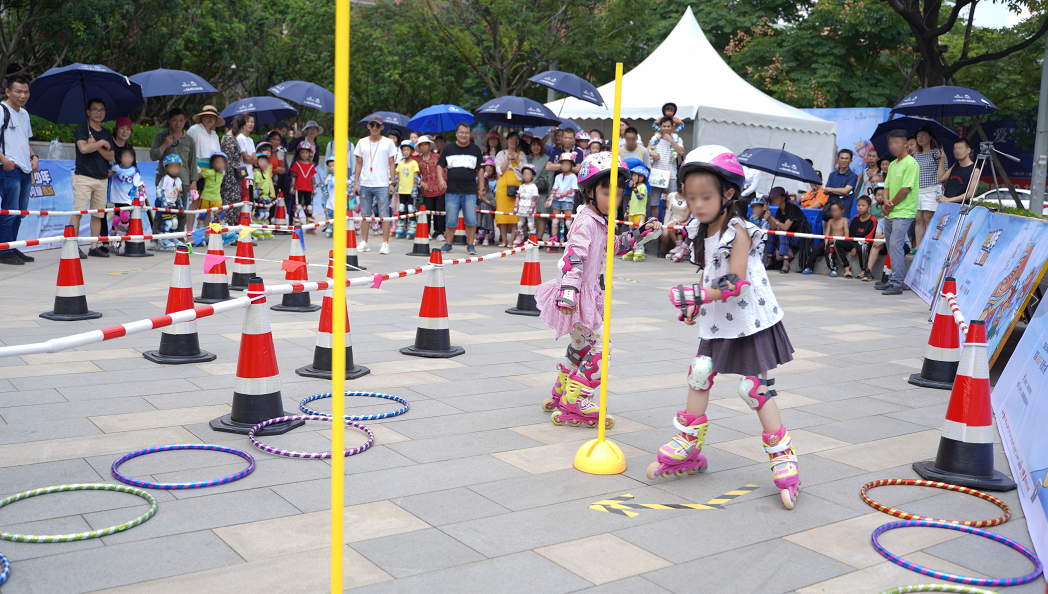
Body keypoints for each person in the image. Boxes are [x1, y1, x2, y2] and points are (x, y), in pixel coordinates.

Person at [650, 145, 798, 513]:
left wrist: (700, 293)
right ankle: (688, 446)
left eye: (706, 197)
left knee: (754, 389)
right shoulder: (702, 229)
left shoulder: (739, 230)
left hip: (749, 320)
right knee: (699, 373)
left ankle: (783, 456)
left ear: (728, 194)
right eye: (691, 196)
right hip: (717, 319)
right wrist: (694, 304)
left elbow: (735, 283)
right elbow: (709, 272)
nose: (697, 204)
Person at [533, 152, 661, 427]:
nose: (614, 199)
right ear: (589, 192)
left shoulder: (599, 220)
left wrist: (642, 233)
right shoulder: (586, 221)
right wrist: (569, 289)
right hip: (577, 293)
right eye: (607, 192)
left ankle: (561, 392)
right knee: (603, 347)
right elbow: (574, 254)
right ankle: (578, 399)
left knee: (580, 346)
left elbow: (612, 246)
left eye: (618, 193)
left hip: (586, 294)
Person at [0, 74, 38, 265]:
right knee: (9, 211)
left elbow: (26, 140)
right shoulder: (1, 110)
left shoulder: (24, 114)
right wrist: (4, 161)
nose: (22, 95)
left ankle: (12, 247)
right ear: (8, 91)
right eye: (18, 91)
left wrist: (33, 156)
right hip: (9, 168)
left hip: (24, 169)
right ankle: (4, 251)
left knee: (20, 212)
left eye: (26, 91)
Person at [71, 98, 115, 258]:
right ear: (88, 112)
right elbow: (83, 148)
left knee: (97, 214)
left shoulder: (106, 133)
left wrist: (96, 144)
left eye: (102, 109)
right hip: (84, 176)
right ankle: (72, 246)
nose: (98, 113)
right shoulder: (82, 128)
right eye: (95, 109)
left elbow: (110, 156)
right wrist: (101, 143)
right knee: (78, 213)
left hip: (102, 178)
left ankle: (94, 246)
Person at [877, 129, 919, 295]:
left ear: (905, 144)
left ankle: (896, 283)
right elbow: (886, 186)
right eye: (890, 143)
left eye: (896, 142)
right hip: (891, 210)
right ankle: (894, 279)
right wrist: (885, 201)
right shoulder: (893, 164)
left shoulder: (911, 163)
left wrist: (890, 204)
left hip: (904, 211)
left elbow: (905, 189)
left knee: (895, 245)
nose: (893, 146)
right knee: (892, 245)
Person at [353, 114, 397, 254]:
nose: (375, 128)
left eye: (378, 125)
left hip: (382, 183)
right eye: (372, 125)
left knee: (384, 214)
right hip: (365, 183)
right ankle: (364, 242)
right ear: (368, 126)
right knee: (365, 215)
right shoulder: (361, 142)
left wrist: (392, 182)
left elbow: (392, 164)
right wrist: (356, 183)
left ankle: (385, 243)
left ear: (382, 127)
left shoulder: (388, 143)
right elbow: (358, 163)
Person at [439, 123, 484, 254]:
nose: (464, 135)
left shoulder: (475, 149)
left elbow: (480, 169)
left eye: (466, 133)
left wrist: (481, 187)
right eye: (461, 132)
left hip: (470, 191)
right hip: (452, 190)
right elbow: (439, 165)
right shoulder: (448, 148)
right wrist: (441, 180)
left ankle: (471, 245)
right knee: (451, 219)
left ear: (470, 135)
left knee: (471, 219)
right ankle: (448, 244)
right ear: (456, 134)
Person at [912, 126, 945, 250]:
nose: (919, 138)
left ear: (930, 137)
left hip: (932, 189)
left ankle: (929, 245)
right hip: (917, 191)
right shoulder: (916, 155)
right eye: (918, 136)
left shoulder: (937, 153)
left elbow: (943, 174)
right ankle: (918, 246)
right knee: (918, 219)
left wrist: (941, 158)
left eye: (923, 135)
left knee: (928, 218)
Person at [648, 116, 685, 219]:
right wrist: (652, 153)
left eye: (668, 126)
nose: (666, 128)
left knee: (672, 202)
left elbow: (681, 152)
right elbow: (646, 151)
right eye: (664, 126)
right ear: (660, 126)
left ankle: (668, 228)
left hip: (671, 175)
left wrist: (671, 140)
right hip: (657, 175)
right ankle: (655, 225)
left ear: (672, 126)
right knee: (654, 203)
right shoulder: (655, 138)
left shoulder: (677, 139)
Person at [765, 186, 806, 273]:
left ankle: (786, 263)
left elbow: (785, 227)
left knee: (783, 232)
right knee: (771, 232)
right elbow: (773, 227)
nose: (773, 200)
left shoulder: (792, 208)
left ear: (783, 198)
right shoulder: (779, 211)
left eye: (775, 197)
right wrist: (768, 215)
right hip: (789, 237)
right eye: (772, 198)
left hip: (801, 238)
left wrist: (771, 218)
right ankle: (769, 261)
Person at [107, 146, 145, 240]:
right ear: (120, 158)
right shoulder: (115, 168)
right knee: (116, 218)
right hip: (116, 198)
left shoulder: (134, 171)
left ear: (133, 159)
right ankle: (113, 231)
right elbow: (107, 174)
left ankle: (123, 230)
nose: (128, 159)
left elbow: (140, 184)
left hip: (128, 198)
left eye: (130, 157)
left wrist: (141, 197)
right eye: (125, 157)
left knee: (124, 214)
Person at [494, 131, 523, 247]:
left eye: (516, 139)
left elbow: (524, 171)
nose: (513, 141)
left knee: (515, 215)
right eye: (511, 139)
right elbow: (499, 170)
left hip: (517, 187)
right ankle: (504, 240)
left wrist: (517, 160)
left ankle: (512, 241)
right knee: (502, 214)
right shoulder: (501, 153)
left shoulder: (522, 154)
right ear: (506, 141)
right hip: (502, 187)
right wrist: (507, 159)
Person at [838, 195, 877, 279]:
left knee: (862, 247)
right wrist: (849, 246)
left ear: (869, 207)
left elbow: (869, 237)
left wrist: (855, 247)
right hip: (854, 242)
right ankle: (846, 266)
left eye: (863, 205)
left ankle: (863, 270)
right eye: (858, 205)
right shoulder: (855, 218)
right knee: (837, 242)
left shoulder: (873, 219)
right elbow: (850, 235)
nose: (860, 207)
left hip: (866, 243)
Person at [806, 201, 848, 276]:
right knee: (815, 249)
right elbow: (827, 234)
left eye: (836, 211)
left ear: (842, 210)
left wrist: (835, 240)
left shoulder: (844, 221)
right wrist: (825, 244)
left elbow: (847, 236)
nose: (834, 213)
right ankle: (809, 267)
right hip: (829, 241)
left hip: (837, 243)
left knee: (828, 251)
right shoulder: (830, 221)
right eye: (832, 211)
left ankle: (833, 269)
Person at [415, 135, 445, 241]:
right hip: (426, 190)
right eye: (421, 145)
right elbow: (415, 175)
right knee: (427, 211)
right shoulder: (417, 160)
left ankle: (439, 232)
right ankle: (426, 231)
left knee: (439, 210)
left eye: (425, 144)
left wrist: (444, 182)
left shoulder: (437, 156)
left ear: (429, 145)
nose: (424, 147)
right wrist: (421, 183)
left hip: (439, 188)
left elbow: (443, 169)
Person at [187, 105, 223, 189]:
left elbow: (218, 155)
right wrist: (196, 171)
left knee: (207, 200)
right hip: (196, 171)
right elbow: (187, 152)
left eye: (213, 117)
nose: (210, 118)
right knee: (195, 200)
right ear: (201, 117)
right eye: (207, 115)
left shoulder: (215, 135)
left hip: (211, 174)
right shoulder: (194, 130)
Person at [548, 153, 578, 252]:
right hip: (556, 201)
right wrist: (550, 198)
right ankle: (554, 242)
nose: (565, 166)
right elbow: (554, 189)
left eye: (567, 164)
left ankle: (570, 242)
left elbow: (573, 191)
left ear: (571, 165)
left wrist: (562, 194)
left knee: (569, 222)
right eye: (563, 164)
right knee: (555, 221)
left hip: (567, 202)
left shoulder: (573, 176)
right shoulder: (558, 177)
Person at [220, 117, 246, 227]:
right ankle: (229, 230)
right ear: (243, 127)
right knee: (230, 204)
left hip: (231, 177)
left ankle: (230, 229)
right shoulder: (230, 139)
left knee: (232, 203)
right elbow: (227, 159)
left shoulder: (227, 138)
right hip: (231, 178)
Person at [938, 138, 981, 204]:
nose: (957, 151)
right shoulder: (955, 165)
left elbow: (970, 193)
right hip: (946, 205)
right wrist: (942, 159)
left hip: (960, 209)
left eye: (960, 148)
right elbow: (941, 178)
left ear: (968, 150)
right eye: (955, 148)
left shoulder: (975, 170)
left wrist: (949, 200)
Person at [155, 154, 183, 252]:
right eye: (171, 167)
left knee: (175, 222)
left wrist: (180, 204)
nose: (174, 169)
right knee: (167, 223)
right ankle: (163, 239)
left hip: (173, 205)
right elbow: (159, 190)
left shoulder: (179, 181)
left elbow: (179, 194)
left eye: (176, 167)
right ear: (166, 168)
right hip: (164, 204)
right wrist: (163, 201)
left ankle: (172, 237)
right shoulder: (165, 179)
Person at [528, 137, 553, 241]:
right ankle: (531, 236)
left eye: (538, 145)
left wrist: (549, 194)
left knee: (541, 214)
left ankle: (540, 237)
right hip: (529, 190)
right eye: (533, 145)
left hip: (541, 190)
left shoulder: (547, 158)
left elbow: (550, 176)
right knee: (530, 214)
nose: (536, 147)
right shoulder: (527, 158)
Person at [623, 163, 650, 261]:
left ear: (641, 178)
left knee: (639, 231)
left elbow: (640, 197)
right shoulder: (634, 189)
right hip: (632, 213)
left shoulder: (642, 186)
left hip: (639, 213)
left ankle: (640, 249)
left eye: (634, 175)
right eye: (632, 175)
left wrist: (634, 188)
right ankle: (632, 248)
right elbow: (631, 199)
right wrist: (627, 210)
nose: (632, 177)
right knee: (632, 232)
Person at [395, 140, 420, 238]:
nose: (405, 152)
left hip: (410, 190)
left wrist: (414, 189)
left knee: (411, 209)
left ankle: (412, 228)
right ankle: (401, 228)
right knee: (401, 208)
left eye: (407, 150)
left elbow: (416, 177)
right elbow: (397, 177)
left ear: (412, 151)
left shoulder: (414, 163)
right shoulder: (400, 164)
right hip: (402, 190)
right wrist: (396, 188)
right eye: (404, 150)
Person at [823, 149, 858, 217]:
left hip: (843, 213)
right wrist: (841, 191)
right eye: (841, 158)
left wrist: (830, 189)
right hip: (829, 211)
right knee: (826, 227)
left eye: (846, 158)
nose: (843, 160)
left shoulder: (853, 176)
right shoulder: (832, 174)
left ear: (851, 161)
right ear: (838, 160)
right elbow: (825, 191)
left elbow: (845, 191)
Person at [865, 183, 888, 282]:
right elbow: (878, 236)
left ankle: (888, 277)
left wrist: (883, 239)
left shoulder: (896, 220)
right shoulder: (882, 221)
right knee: (876, 244)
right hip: (884, 242)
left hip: (899, 244)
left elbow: (895, 236)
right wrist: (882, 239)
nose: (884, 214)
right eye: (882, 211)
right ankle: (868, 271)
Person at [197, 152, 227, 229]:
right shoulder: (209, 172)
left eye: (222, 162)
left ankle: (224, 231)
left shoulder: (223, 173)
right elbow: (199, 175)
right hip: (205, 198)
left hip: (216, 198)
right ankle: (200, 232)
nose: (220, 164)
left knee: (220, 214)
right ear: (212, 164)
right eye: (218, 162)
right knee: (202, 215)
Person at [513, 164, 539, 246]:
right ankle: (520, 237)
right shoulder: (521, 186)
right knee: (520, 223)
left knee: (530, 224)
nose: (526, 176)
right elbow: (518, 197)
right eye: (524, 174)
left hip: (529, 207)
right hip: (522, 206)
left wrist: (532, 207)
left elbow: (535, 198)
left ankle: (532, 238)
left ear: (533, 176)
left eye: (528, 174)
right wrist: (515, 207)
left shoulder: (533, 186)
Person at [663, 190, 691, 262]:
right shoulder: (671, 195)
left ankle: (680, 248)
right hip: (671, 220)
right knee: (665, 233)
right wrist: (666, 224)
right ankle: (667, 251)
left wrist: (676, 223)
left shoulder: (691, 197)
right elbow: (668, 211)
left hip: (683, 221)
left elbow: (686, 217)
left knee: (676, 227)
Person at [478, 158, 497, 245]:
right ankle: (481, 233)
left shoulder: (495, 180)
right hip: (483, 202)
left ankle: (491, 234)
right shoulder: (482, 180)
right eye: (486, 170)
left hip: (491, 200)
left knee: (490, 219)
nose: (488, 171)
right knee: (482, 218)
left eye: (490, 170)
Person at [748, 196, 770, 261]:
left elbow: (762, 230)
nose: (756, 210)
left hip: (763, 241)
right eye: (754, 208)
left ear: (763, 208)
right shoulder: (751, 219)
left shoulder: (766, 218)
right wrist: (754, 220)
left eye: (758, 208)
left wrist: (761, 220)